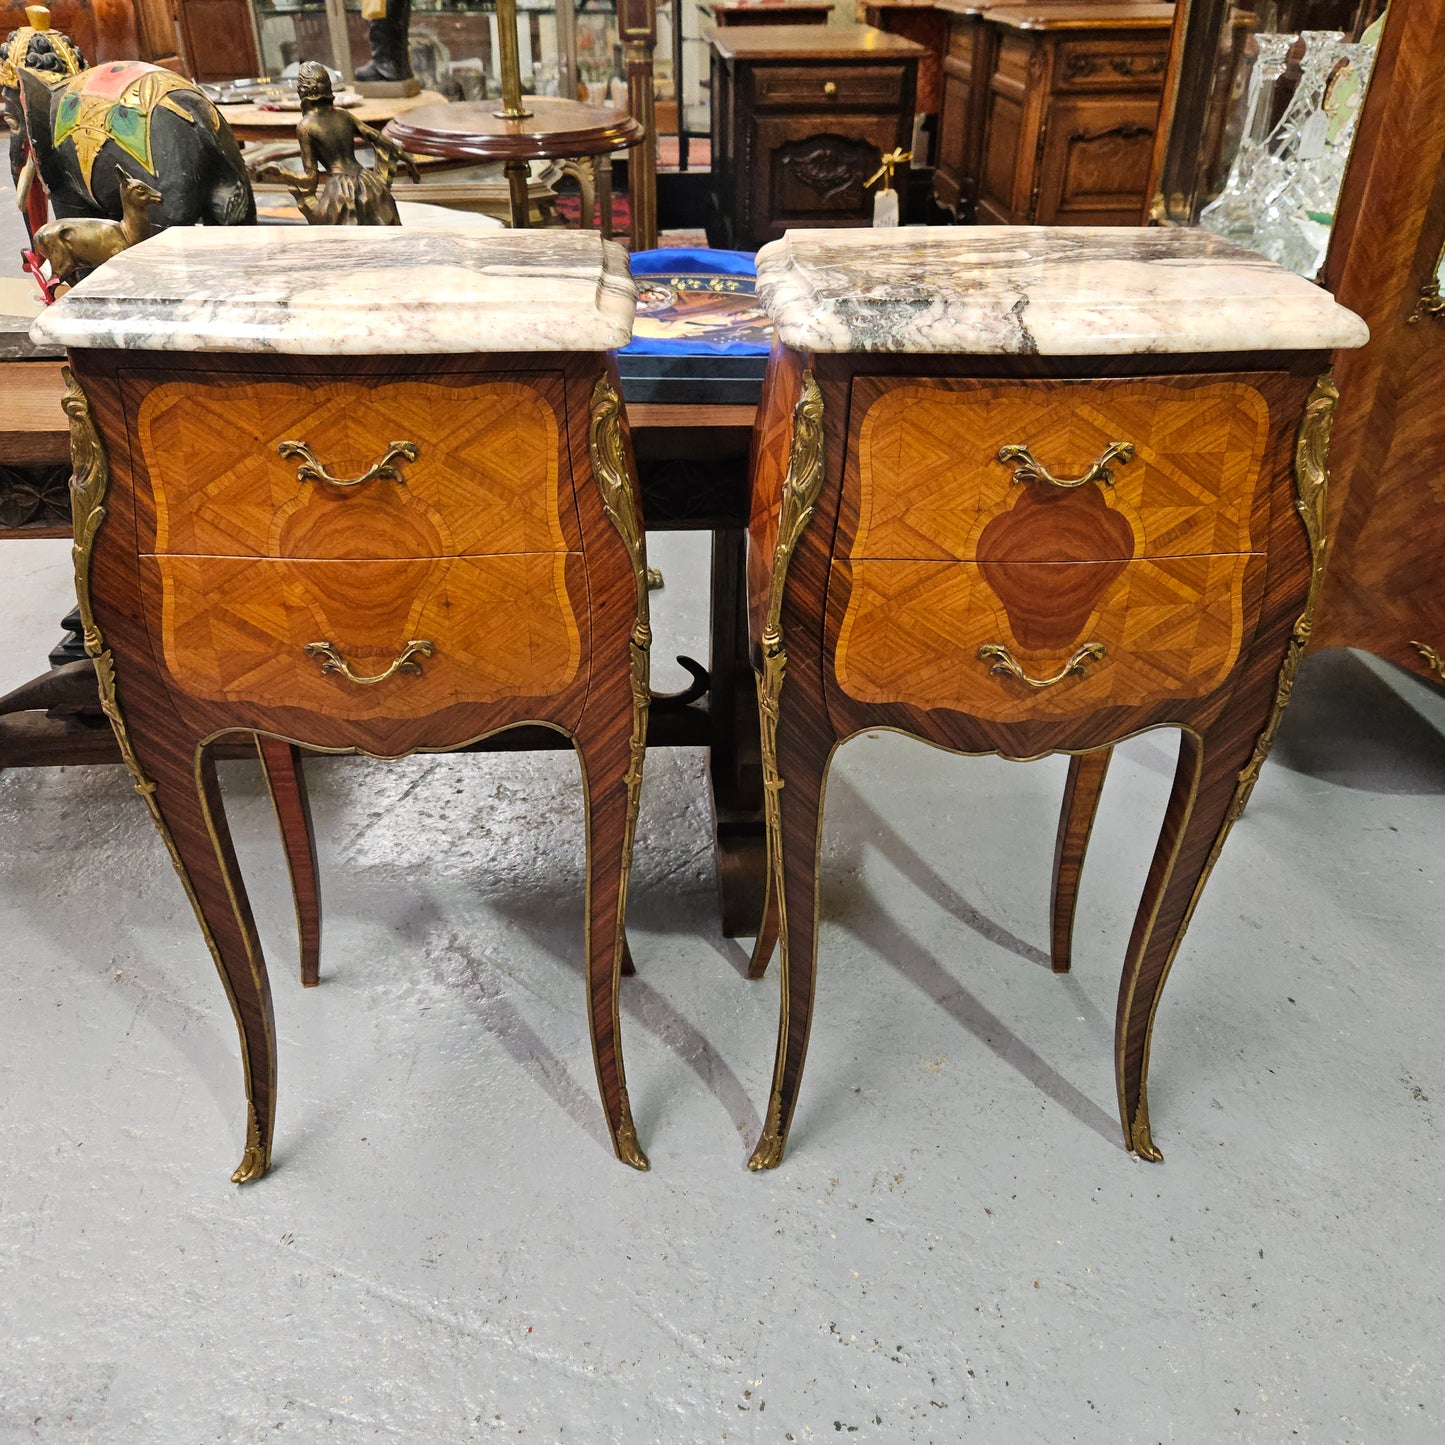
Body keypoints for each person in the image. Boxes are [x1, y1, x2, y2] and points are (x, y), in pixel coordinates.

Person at [254, 62, 419, 226]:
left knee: (345, 242)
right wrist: (404, 157)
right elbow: (376, 137)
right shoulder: (343, 115)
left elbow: (310, 177)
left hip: (341, 192)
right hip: (368, 183)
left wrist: (281, 170)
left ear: (302, 91)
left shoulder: (306, 126)